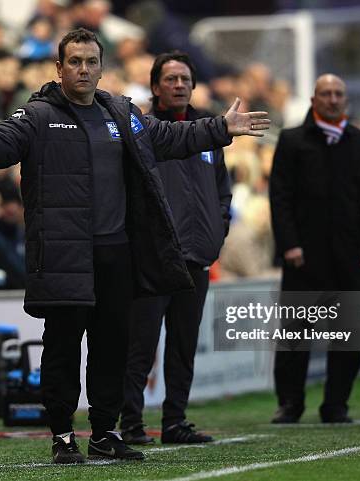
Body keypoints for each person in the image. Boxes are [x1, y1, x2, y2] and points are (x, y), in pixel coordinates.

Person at [0, 28, 269, 464]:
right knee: (61, 347)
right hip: (64, 254)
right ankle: (62, 436)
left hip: (117, 253)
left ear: (101, 67)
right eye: (74, 61)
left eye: (90, 61)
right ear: (59, 68)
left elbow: (170, 138)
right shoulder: (39, 115)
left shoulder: (122, 113)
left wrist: (220, 128)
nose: (83, 69)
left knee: (112, 347)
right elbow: (2, 142)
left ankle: (103, 433)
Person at [120, 52, 232, 445]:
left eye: (184, 78)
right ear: (155, 87)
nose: (179, 85)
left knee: (183, 346)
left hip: (196, 257)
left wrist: (219, 227)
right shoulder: (140, 130)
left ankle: (174, 422)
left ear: (194, 85)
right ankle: (130, 423)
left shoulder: (208, 132)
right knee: (141, 345)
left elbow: (222, 189)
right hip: (152, 256)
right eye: (170, 79)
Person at [269, 74, 360, 423]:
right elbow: (280, 198)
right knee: (294, 338)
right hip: (303, 256)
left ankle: (336, 405)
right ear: (313, 99)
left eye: (339, 94)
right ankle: (290, 404)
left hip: (350, 256)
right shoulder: (292, 141)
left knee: (347, 338)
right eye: (326, 94)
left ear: (345, 100)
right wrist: (289, 244)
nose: (333, 99)